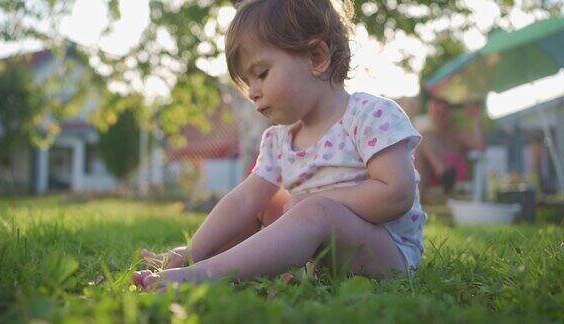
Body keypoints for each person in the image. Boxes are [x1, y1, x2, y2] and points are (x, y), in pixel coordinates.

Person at [132, 0, 426, 290]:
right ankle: (196, 261)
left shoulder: (369, 115)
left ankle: (204, 275)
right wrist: (192, 249)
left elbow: (395, 194)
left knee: (316, 210)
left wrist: (318, 203)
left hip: (386, 255)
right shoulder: (278, 139)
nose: (253, 92)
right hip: (317, 258)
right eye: (247, 82)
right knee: (262, 202)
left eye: (261, 73)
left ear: (316, 57)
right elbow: (243, 201)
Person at [415, 96, 485, 202]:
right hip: (432, 186)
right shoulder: (426, 136)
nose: (441, 116)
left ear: (451, 113)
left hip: (456, 186)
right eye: (437, 112)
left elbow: (480, 146)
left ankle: (444, 173)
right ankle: (443, 172)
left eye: (444, 112)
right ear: (430, 112)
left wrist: (476, 117)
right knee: (422, 140)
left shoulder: (458, 136)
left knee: (423, 140)